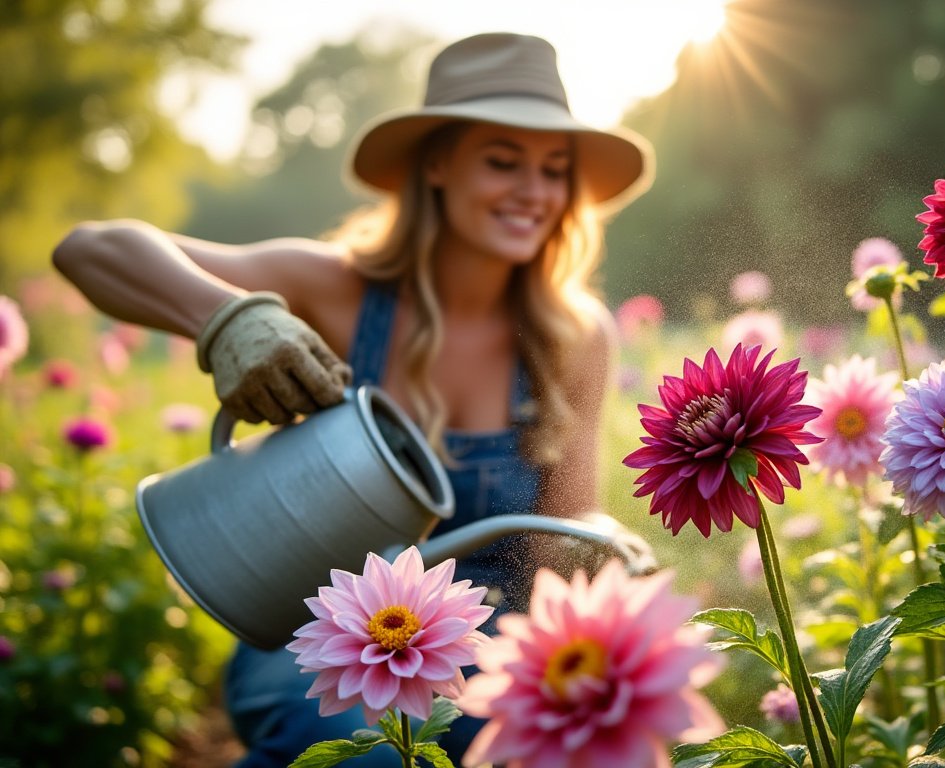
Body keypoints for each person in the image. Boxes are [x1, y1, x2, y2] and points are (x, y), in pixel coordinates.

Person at [53, 32, 653, 767]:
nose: (535, 190)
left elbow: (555, 536)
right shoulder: (333, 289)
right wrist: (231, 320)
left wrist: (604, 548)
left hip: (491, 636)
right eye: (503, 161)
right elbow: (90, 249)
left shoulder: (572, 335)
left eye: (555, 171)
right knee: (366, 754)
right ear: (437, 164)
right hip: (326, 638)